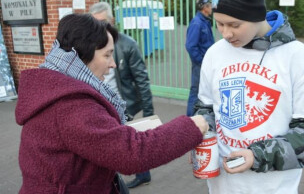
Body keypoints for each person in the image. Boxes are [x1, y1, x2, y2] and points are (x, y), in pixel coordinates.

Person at [15, 13, 209, 194]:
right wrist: (190, 127)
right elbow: (132, 154)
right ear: (84, 54)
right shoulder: (70, 104)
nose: (113, 63)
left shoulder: (58, 86)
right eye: (107, 55)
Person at [195, 0, 304, 193]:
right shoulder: (214, 53)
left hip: (273, 187)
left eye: (234, 25)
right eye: (219, 24)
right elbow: (205, 108)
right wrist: (200, 139)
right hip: (221, 185)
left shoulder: (301, 59)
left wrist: (257, 156)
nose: (226, 34)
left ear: (257, 15)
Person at [89, 2, 153, 188]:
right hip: (99, 105)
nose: (99, 28)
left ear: (112, 20)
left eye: (102, 22)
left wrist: (148, 112)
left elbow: (142, 79)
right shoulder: (89, 45)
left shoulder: (128, 44)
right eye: (94, 23)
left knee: (130, 144)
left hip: (123, 105)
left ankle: (142, 174)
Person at [185, 0, 215, 117]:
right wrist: (202, 62)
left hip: (205, 63)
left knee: (203, 91)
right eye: (210, 5)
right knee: (195, 91)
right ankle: (190, 119)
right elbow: (190, 46)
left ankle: (199, 117)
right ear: (204, 8)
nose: (212, 7)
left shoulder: (204, 21)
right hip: (200, 64)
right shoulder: (197, 23)